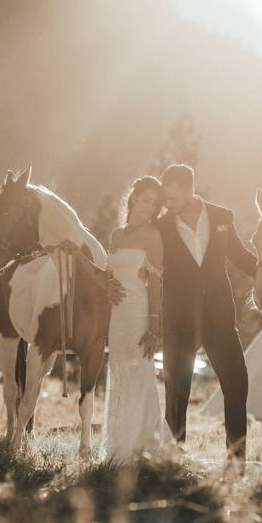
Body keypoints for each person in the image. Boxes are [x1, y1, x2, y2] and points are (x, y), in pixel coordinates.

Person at [155, 164, 257, 464]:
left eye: (173, 198)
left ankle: (236, 460)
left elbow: (240, 257)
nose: (168, 204)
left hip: (219, 317)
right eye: (166, 199)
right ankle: (174, 459)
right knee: (176, 393)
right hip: (179, 319)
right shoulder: (161, 227)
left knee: (237, 384)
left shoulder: (222, 217)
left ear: (189, 189)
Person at [102, 176, 173, 462]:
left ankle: (142, 445)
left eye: (154, 204)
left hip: (139, 312)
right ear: (133, 198)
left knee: (139, 374)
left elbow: (155, 284)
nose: (149, 208)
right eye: (146, 200)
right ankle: (117, 445)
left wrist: (155, 325)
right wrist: (106, 285)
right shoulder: (117, 236)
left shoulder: (152, 236)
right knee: (119, 373)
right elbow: (109, 274)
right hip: (116, 316)